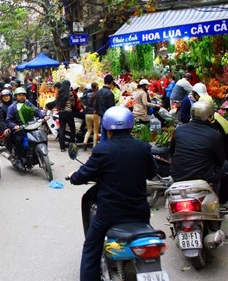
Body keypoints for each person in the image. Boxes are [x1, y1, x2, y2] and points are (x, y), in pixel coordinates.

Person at [68, 106, 157, 281]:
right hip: (139, 212)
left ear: (107, 130)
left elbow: (82, 176)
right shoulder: (143, 147)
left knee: (91, 248)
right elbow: (151, 172)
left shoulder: (102, 150)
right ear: (131, 127)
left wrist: (73, 176)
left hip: (109, 214)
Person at [170, 100, 225, 195]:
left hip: (178, 175)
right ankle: (222, 200)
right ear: (209, 116)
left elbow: (172, 152)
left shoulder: (179, 129)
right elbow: (220, 160)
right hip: (205, 177)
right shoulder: (215, 135)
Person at [6, 87, 48, 169]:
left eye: (23, 95)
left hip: (31, 125)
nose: (21, 97)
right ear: (16, 96)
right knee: (19, 140)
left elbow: (37, 111)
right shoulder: (12, 107)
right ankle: (19, 159)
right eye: (19, 95)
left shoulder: (28, 103)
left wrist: (44, 116)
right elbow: (8, 120)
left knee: (42, 135)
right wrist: (14, 126)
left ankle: (45, 154)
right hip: (20, 128)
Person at [93, 74, 115, 143]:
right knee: (109, 135)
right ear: (111, 83)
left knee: (103, 134)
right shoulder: (110, 93)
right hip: (108, 117)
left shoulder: (99, 92)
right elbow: (112, 108)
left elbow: (95, 104)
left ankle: (102, 149)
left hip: (101, 116)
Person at [55, 80, 76, 152]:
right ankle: (72, 146)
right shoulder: (70, 93)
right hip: (68, 113)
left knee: (62, 129)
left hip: (61, 113)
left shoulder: (59, 93)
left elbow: (56, 103)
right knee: (72, 129)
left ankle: (62, 147)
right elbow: (73, 104)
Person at [82, 82, 100, 151]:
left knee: (89, 130)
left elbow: (80, 99)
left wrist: (84, 106)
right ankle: (94, 147)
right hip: (95, 114)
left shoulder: (87, 94)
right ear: (96, 87)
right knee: (95, 132)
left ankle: (84, 142)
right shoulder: (98, 95)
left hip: (87, 114)